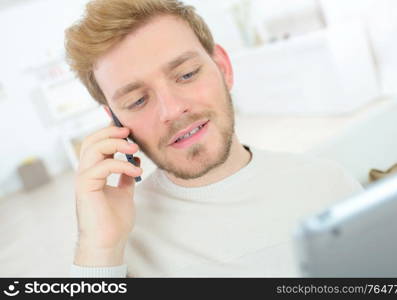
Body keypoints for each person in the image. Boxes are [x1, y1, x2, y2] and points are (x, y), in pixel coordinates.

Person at [65, 0, 363, 277]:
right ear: (115, 120)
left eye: (186, 74)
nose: (172, 109)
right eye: (137, 101)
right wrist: (99, 249)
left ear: (223, 67)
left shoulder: (327, 183)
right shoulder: (119, 243)